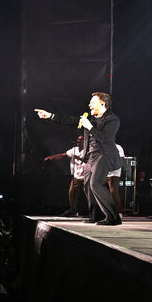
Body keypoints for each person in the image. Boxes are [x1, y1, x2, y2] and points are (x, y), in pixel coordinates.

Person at [35, 92, 122, 225]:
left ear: (103, 103)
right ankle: (96, 216)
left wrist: (90, 127)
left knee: (95, 183)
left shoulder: (112, 120)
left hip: (105, 155)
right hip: (91, 156)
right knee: (87, 184)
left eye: (92, 102)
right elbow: (71, 120)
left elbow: (105, 139)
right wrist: (50, 115)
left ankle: (113, 217)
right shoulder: (91, 119)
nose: (89, 104)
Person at [44, 135, 87, 217]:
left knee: (88, 194)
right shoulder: (74, 150)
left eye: (80, 140)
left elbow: (89, 160)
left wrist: (79, 158)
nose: (78, 141)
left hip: (86, 176)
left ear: (85, 141)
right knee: (72, 193)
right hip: (76, 176)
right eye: (78, 139)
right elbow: (63, 155)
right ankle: (73, 210)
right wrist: (51, 157)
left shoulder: (87, 150)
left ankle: (92, 212)